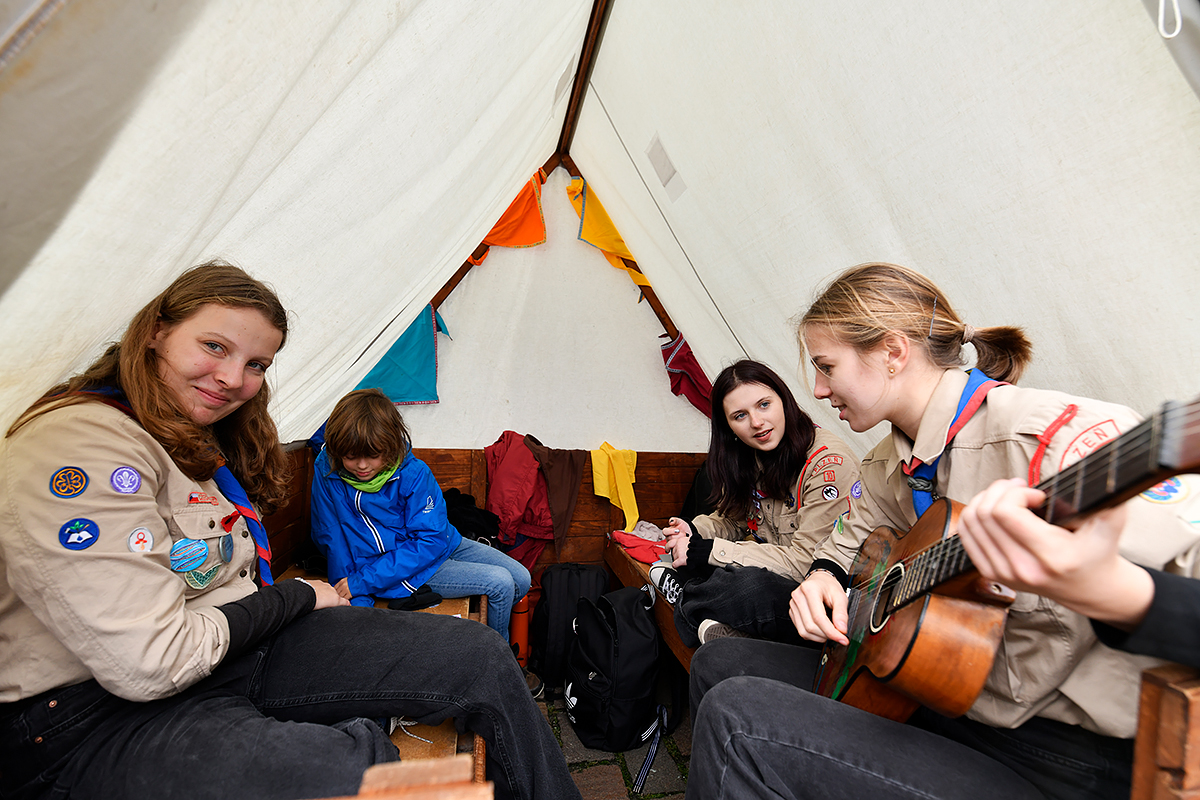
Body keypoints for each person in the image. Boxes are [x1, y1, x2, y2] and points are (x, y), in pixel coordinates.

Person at [0, 261, 580, 800]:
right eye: (214, 346)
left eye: (257, 364)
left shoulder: (185, 441)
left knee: (478, 655)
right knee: (371, 777)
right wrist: (299, 596)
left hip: (234, 651)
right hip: (94, 715)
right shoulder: (81, 446)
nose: (232, 378)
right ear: (155, 331)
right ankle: (358, 730)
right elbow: (154, 660)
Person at [685, 262, 1200, 800]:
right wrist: (821, 578)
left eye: (826, 367)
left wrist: (1109, 588)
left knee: (737, 720)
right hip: (934, 695)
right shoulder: (889, 462)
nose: (816, 390)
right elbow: (842, 544)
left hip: (1052, 753)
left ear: (892, 351)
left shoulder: (1054, 441)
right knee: (719, 661)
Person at [310, 388, 540, 694]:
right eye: (351, 456)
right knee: (500, 584)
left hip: (437, 545)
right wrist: (356, 592)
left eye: (373, 455)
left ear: (390, 445)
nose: (362, 465)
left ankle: (494, 657)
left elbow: (431, 539)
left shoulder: (413, 472)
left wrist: (362, 582)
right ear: (338, 450)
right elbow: (331, 538)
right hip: (398, 566)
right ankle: (499, 672)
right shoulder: (327, 470)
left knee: (521, 577)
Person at [654, 359, 859, 647]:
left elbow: (806, 563)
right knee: (705, 561)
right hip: (778, 576)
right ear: (728, 426)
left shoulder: (828, 464)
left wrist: (710, 550)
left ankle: (689, 602)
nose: (756, 422)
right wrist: (693, 531)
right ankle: (707, 608)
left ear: (784, 401)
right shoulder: (753, 454)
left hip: (819, 599)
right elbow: (735, 519)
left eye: (764, 405)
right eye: (740, 415)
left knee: (748, 585)